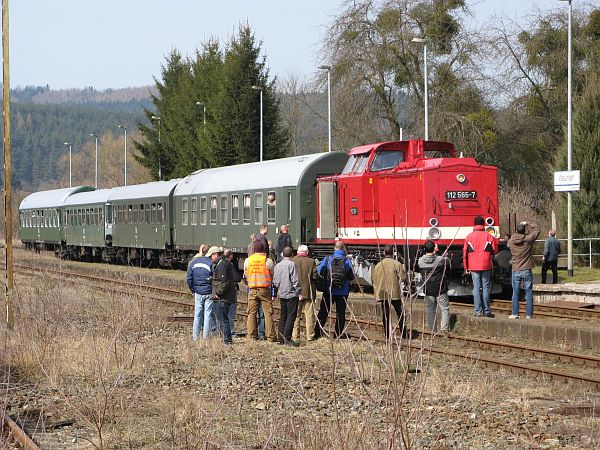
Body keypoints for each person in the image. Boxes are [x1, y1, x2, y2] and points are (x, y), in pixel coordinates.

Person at [315, 241, 355, 339]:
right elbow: (351, 277)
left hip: (329, 290)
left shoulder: (328, 259)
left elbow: (319, 271)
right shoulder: (347, 261)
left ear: (334, 248)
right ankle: (337, 334)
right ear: (343, 249)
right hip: (343, 291)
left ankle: (317, 332)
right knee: (340, 313)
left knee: (323, 311)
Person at [463, 216, 498, 318]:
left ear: (474, 224)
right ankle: (487, 311)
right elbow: (495, 250)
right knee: (486, 288)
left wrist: (466, 267)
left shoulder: (469, 237)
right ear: (483, 224)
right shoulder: (488, 236)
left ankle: (478, 311)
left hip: (473, 266)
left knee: (476, 288)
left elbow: (465, 252)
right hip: (486, 265)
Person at [372, 244, 407, 340]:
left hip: (383, 294)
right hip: (395, 293)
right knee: (400, 313)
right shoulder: (397, 264)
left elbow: (374, 280)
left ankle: (388, 335)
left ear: (384, 253)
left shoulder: (378, 265)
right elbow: (403, 278)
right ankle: (404, 334)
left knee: (385, 314)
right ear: (393, 253)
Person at [244, 241, 277, 342]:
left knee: (251, 313)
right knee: (268, 313)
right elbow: (272, 275)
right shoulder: (268, 261)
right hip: (265, 290)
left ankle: (252, 336)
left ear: (253, 249)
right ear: (263, 249)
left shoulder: (248, 261)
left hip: (252, 289)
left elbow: (246, 274)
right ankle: (271, 336)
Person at [508, 221, 540, 319]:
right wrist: (528, 223)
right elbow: (537, 229)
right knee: (529, 291)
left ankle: (514, 313)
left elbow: (508, 245)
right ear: (524, 230)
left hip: (516, 269)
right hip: (526, 269)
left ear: (516, 230)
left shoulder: (511, 241)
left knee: (515, 292)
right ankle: (529, 315)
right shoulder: (528, 240)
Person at [418, 240, 451, 333]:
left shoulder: (420, 261)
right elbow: (448, 264)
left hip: (428, 289)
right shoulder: (440, 260)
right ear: (434, 249)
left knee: (431, 310)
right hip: (441, 288)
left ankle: (433, 330)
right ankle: (444, 330)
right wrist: (438, 252)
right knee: (444, 309)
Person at [272, 247, 301, 346]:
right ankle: (287, 338)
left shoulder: (278, 266)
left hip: (282, 293)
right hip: (292, 294)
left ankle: (280, 338)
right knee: (291, 316)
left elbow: (275, 281)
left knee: (283, 316)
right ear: (292, 254)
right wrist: (299, 291)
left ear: (283, 254)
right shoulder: (292, 265)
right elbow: (295, 280)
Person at [186, 244, 214, 340]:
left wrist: (192, 289)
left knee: (197, 315)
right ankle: (206, 337)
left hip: (198, 292)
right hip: (209, 291)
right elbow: (214, 278)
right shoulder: (211, 263)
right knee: (207, 315)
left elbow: (189, 278)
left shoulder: (193, 262)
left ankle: (195, 337)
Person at [208, 246, 235, 344]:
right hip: (225, 296)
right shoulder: (224, 263)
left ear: (216, 255)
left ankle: (227, 340)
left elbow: (224, 282)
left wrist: (218, 293)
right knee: (223, 319)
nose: (211, 258)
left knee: (223, 319)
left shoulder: (222, 264)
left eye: (211, 256)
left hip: (223, 297)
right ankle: (226, 339)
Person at [292, 245, 318, 342]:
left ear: (298, 251)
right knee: (309, 315)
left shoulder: (292, 260)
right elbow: (315, 276)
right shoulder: (311, 261)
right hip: (309, 292)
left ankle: (295, 336)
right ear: (306, 252)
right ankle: (310, 336)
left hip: (295, 292)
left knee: (296, 315)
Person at [224, 249, 241, 336]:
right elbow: (237, 278)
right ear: (230, 256)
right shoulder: (230, 265)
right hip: (231, 291)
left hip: (221, 291)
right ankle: (230, 331)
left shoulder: (219, 264)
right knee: (230, 313)